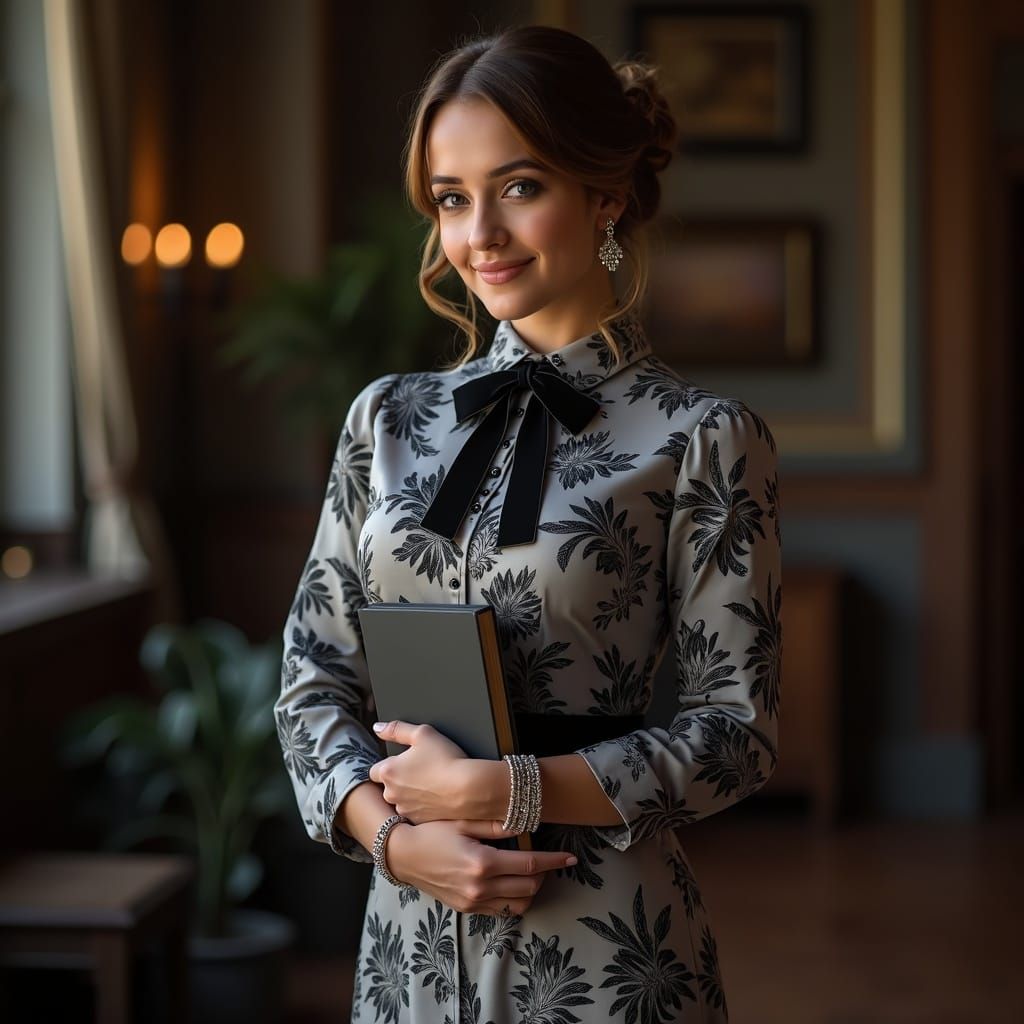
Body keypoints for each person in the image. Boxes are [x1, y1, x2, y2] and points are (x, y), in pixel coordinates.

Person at [276, 23, 782, 1024]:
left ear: (605, 194)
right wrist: (387, 835)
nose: (480, 237)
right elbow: (310, 673)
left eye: (518, 187)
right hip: (407, 941)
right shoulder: (387, 419)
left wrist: (513, 792)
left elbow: (737, 735)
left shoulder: (703, 437)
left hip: (603, 949)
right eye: (453, 200)